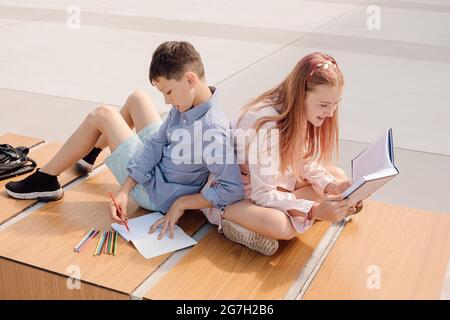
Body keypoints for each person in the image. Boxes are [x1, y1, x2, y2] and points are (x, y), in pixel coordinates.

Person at [6, 41, 244, 239]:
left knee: (102, 115)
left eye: (168, 92)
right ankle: (91, 150)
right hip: (160, 165)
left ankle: (46, 180)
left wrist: (181, 203)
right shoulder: (189, 105)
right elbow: (156, 144)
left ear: (190, 80)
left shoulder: (211, 130)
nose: (167, 102)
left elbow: (232, 189)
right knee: (138, 98)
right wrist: (123, 189)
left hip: (155, 192)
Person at [201, 52, 363, 255]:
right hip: (241, 193)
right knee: (281, 226)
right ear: (300, 94)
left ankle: (280, 215)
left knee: (337, 177)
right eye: (324, 105)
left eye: (335, 104)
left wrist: (333, 186)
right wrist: (314, 210)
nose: (330, 113)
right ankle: (230, 217)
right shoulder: (265, 124)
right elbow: (262, 193)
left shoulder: (300, 111)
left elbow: (303, 161)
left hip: (275, 179)